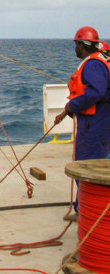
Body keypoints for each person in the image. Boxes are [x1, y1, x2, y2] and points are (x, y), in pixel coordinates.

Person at [55, 26, 110, 209]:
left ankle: (88, 211)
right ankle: (87, 208)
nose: (75, 49)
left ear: (82, 44)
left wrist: (73, 105)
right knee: (93, 164)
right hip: (99, 120)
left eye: (76, 44)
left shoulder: (93, 64)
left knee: (86, 167)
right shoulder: (99, 60)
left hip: (95, 123)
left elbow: (96, 92)